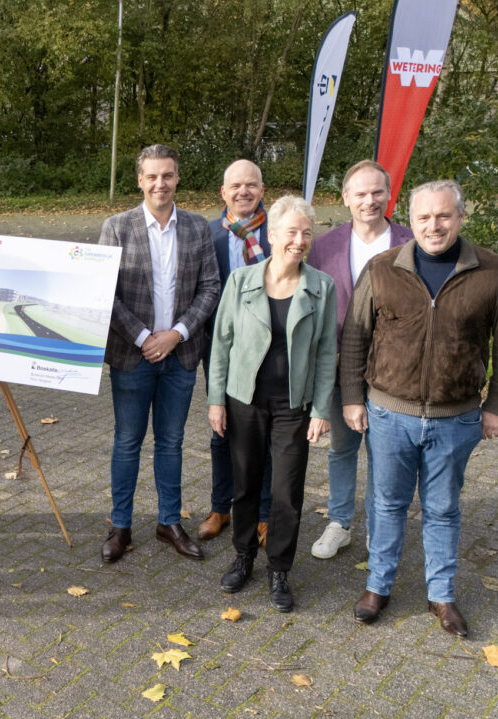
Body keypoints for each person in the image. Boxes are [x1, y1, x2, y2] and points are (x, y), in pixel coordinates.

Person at [342, 180, 498, 637]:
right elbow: (355, 336)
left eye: (444, 215)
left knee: (443, 509)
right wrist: (352, 397)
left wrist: (494, 405)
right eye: (424, 217)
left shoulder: (491, 271)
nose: (434, 225)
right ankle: (378, 586)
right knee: (387, 503)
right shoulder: (382, 268)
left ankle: (441, 595)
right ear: (410, 220)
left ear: (461, 217)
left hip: (457, 418)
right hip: (389, 414)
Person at [208, 195, 336, 613]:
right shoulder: (241, 281)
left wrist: (321, 409)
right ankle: (244, 556)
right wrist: (216, 400)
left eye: (306, 233)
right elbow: (221, 343)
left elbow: (326, 353)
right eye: (291, 232)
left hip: (292, 407)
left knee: (286, 492)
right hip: (244, 401)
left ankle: (279, 568)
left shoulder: (321, 287)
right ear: (273, 235)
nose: (299, 241)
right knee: (245, 484)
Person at [97, 144, 220, 564]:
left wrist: (177, 334)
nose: (160, 183)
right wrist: (143, 336)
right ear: (140, 180)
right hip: (132, 357)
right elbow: (106, 293)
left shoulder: (197, 227)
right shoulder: (117, 227)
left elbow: (210, 287)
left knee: (171, 442)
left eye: (167, 175)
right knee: (127, 442)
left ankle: (169, 523)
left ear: (177, 177)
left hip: (180, 356)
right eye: (152, 176)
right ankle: (120, 526)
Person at [307, 160, 411, 560]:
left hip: (394, 373)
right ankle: (340, 522)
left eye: (377, 192)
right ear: (346, 198)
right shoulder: (324, 246)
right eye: (361, 193)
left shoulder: (410, 242)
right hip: (339, 369)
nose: (370, 200)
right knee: (342, 449)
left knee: (384, 455)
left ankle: (379, 527)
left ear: (389, 194)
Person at [199, 159, 273, 545]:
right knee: (221, 429)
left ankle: (264, 513)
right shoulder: (207, 234)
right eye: (236, 186)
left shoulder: (280, 232)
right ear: (223, 192)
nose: (244, 192)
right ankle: (220, 507)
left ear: (262, 190)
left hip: (270, 349)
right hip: (221, 348)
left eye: (251, 185)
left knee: (267, 432)